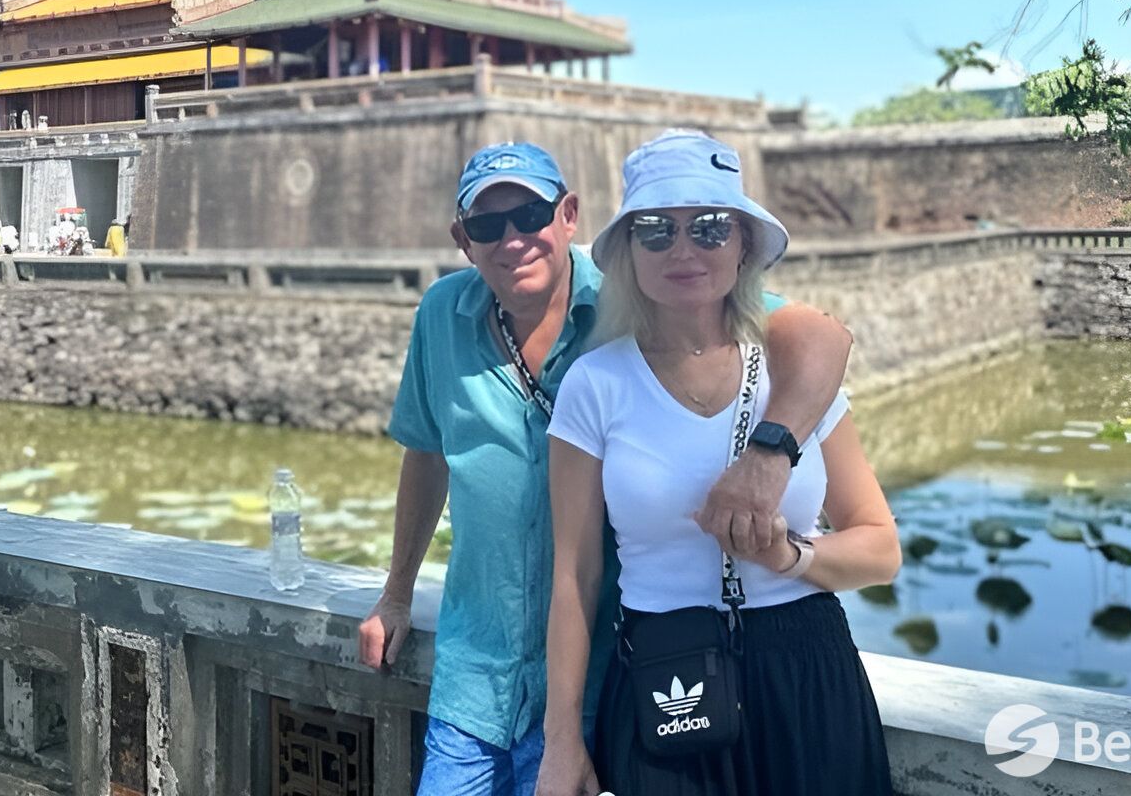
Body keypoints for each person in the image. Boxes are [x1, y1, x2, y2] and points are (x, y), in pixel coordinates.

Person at [359, 141, 855, 796]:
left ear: (568, 215)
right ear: (463, 239)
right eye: (487, 225)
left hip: (599, 678)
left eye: (530, 216)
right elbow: (426, 457)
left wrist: (768, 453)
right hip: (475, 668)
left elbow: (823, 335)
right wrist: (396, 594)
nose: (513, 240)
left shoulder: (640, 294)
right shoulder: (440, 317)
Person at [538, 132, 900, 796]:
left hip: (807, 673)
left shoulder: (795, 380)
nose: (683, 249)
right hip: (666, 672)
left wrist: (791, 556)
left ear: (742, 246)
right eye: (656, 230)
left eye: (709, 227)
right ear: (628, 252)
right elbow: (575, 577)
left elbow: (880, 549)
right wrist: (561, 742)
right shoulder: (595, 384)